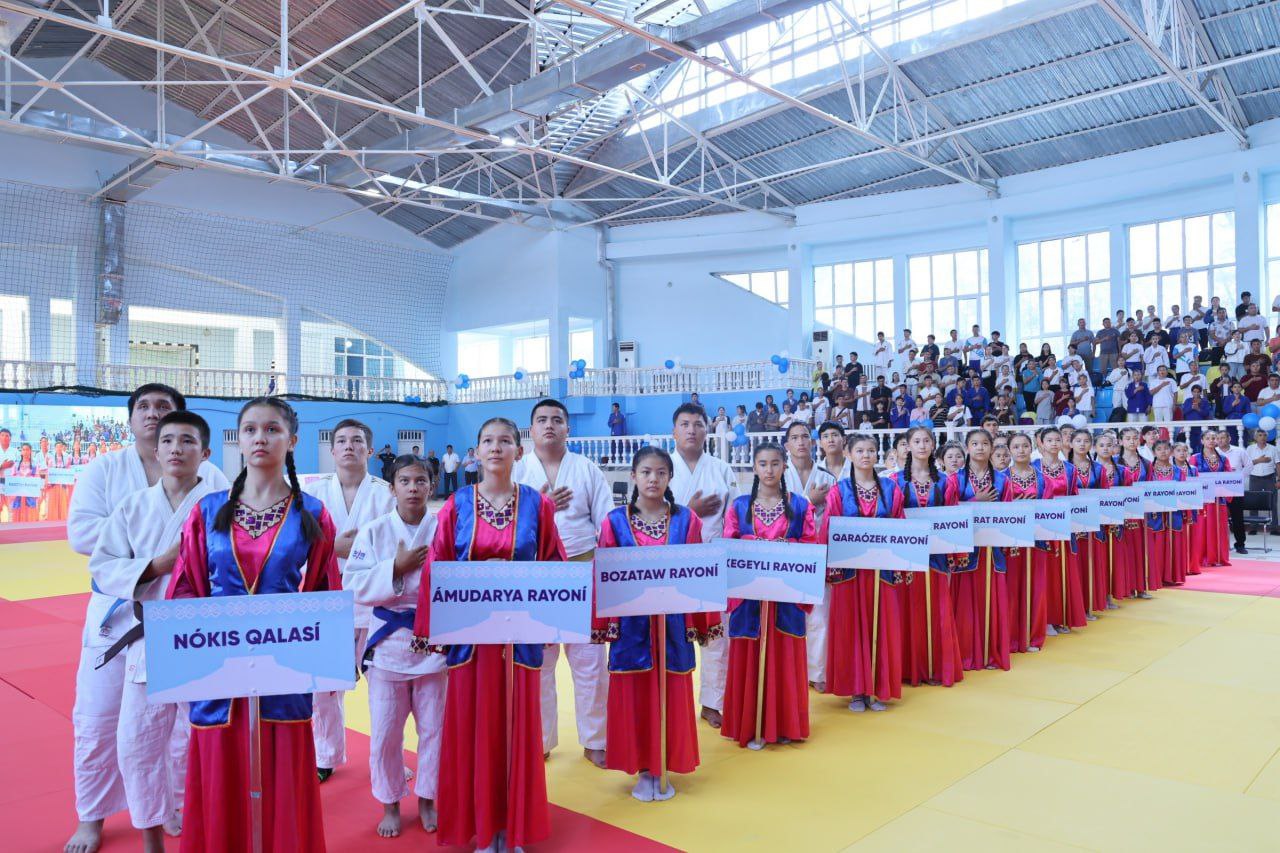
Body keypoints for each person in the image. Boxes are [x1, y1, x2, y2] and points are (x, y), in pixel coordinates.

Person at [166, 397, 338, 852]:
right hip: (219, 671)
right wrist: (193, 657)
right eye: (250, 430)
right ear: (239, 440)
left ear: (292, 440)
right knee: (220, 776)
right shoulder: (208, 511)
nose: (261, 438)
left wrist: (324, 661)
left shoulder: (312, 513)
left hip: (284, 668)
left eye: (272, 429)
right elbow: (186, 588)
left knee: (281, 777)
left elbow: (323, 592)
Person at [64, 384, 230, 853]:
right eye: (144, 407)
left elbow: (228, 535)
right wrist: (156, 556)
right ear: (132, 418)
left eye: (165, 408)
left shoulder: (210, 476)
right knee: (97, 719)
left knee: (180, 727)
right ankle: (91, 817)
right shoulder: (106, 469)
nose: (154, 414)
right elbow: (83, 535)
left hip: (184, 617)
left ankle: (172, 806)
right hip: (118, 612)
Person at [410, 417, 565, 850]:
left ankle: (513, 826)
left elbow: (554, 562)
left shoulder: (538, 505)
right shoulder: (456, 504)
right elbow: (436, 567)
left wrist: (554, 620)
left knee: (518, 728)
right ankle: (482, 823)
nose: (496, 448)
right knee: (474, 730)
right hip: (471, 641)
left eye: (505, 441)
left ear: (519, 451)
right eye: (487, 441)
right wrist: (431, 629)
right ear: (475, 453)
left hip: (520, 639)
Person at [596, 446, 718, 800]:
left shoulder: (687, 520)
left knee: (670, 692)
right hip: (631, 628)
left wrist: (701, 621)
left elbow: (699, 573)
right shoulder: (614, 521)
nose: (653, 479)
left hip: (673, 626)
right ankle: (642, 767)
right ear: (633, 476)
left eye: (661, 473)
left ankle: (663, 763)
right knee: (635, 696)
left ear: (669, 478)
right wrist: (605, 624)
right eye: (646, 472)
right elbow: (603, 575)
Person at [344, 454, 444, 838]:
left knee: (435, 729)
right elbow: (353, 585)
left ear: (432, 486)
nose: (413, 488)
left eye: (420, 481)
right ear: (392, 488)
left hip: (433, 643)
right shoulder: (374, 531)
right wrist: (395, 569)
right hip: (388, 644)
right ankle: (390, 802)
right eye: (405, 481)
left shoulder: (444, 528)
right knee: (386, 732)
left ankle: (428, 797)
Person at [513, 399, 614, 767]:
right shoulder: (516, 471)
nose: (549, 425)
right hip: (535, 578)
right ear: (531, 430)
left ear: (568, 429)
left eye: (557, 420)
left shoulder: (586, 469)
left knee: (590, 662)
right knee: (539, 663)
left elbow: (607, 522)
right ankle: (539, 739)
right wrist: (539, 505)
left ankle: (595, 740)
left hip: (581, 572)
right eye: (542, 420)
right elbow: (502, 524)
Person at [303, 419, 395, 782]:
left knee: (385, 689)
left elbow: (398, 544)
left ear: (369, 450)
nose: (348, 446)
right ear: (332, 450)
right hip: (327, 602)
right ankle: (326, 755)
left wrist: (350, 550)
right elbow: (298, 544)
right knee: (323, 688)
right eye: (341, 441)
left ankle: (386, 759)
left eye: (357, 440)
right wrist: (332, 547)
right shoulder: (313, 494)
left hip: (375, 603)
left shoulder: (386, 493)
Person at [722, 443, 816, 748]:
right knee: (751, 654)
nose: (769, 470)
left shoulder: (799, 506)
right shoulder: (739, 506)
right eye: (763, 464)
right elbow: (728, 546)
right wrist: (754, 544)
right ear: (754, 468)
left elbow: (810, 544)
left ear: (784, 466)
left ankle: (785, 724)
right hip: (749, 598)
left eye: (775, 463)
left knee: (784, 655)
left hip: (786, 597)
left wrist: (785, 549)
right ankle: (752, 725)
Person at [820, 433, 906, 711]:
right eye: (860, 450)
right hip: (850, 573)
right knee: (852, 628)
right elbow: (828, 529)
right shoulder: (839, 490)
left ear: (877, 454)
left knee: (882, 625)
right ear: (848, 454)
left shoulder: (891, 489)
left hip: (881, 572)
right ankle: (858, 690)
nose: (866, 455)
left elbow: (901, 525)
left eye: (870, 450)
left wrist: (901, 563)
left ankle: (878, 688)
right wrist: (828, 567)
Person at [668, 403, 737, 728]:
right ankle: (671, 701)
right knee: (673, 634)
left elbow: (735, 517)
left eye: (697, 424)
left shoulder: (721, 469)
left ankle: (713, 702)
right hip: (670, 564)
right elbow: (646, 511)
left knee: (716, 635)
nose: (691, 430)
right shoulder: (660, 467)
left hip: (713, 562)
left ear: (707, 430)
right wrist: (688, 510)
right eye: (685, 424)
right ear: (674, 431)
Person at [893, 426, 964, 688]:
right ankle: (907, 668)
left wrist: (952, 552)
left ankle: (935, 667)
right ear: (908, 445)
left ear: (933, 445)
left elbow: (953, 519)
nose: (922, 445)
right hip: (906, 557)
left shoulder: (945, 481)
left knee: (936, 610)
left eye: (926, 441)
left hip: (936, 556)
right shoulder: (894, 481)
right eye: (917, 441)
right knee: (907, 611)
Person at [951, 428, 1012, 671]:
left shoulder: (1002, 480)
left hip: (992, 551)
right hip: (965, 552)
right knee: (965, 604)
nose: (980, 448)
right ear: (967, 447)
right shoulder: (954, 479)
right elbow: (949, 512)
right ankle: (965, 653)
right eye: (975, 443)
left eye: (985, 443)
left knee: (992, 601)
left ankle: (991, 653)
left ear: (991, 447)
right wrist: (976, 502)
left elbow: (1009, 514)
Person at [1245, 429, 1280, 534]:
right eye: (1260, 435)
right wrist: (1259, 460)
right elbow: (1246, 464)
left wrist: (1279, 479)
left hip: (1270, 477)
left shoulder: (1273, 449)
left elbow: (1278, 464)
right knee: (1253, 503)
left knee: (1273, 503)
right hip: (1255, 478)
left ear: (1267, 437)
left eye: (1264, 435)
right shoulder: (1250, 448)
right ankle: (1253, 527)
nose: (1263, 437)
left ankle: (1274, 528)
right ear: (1256, 437)